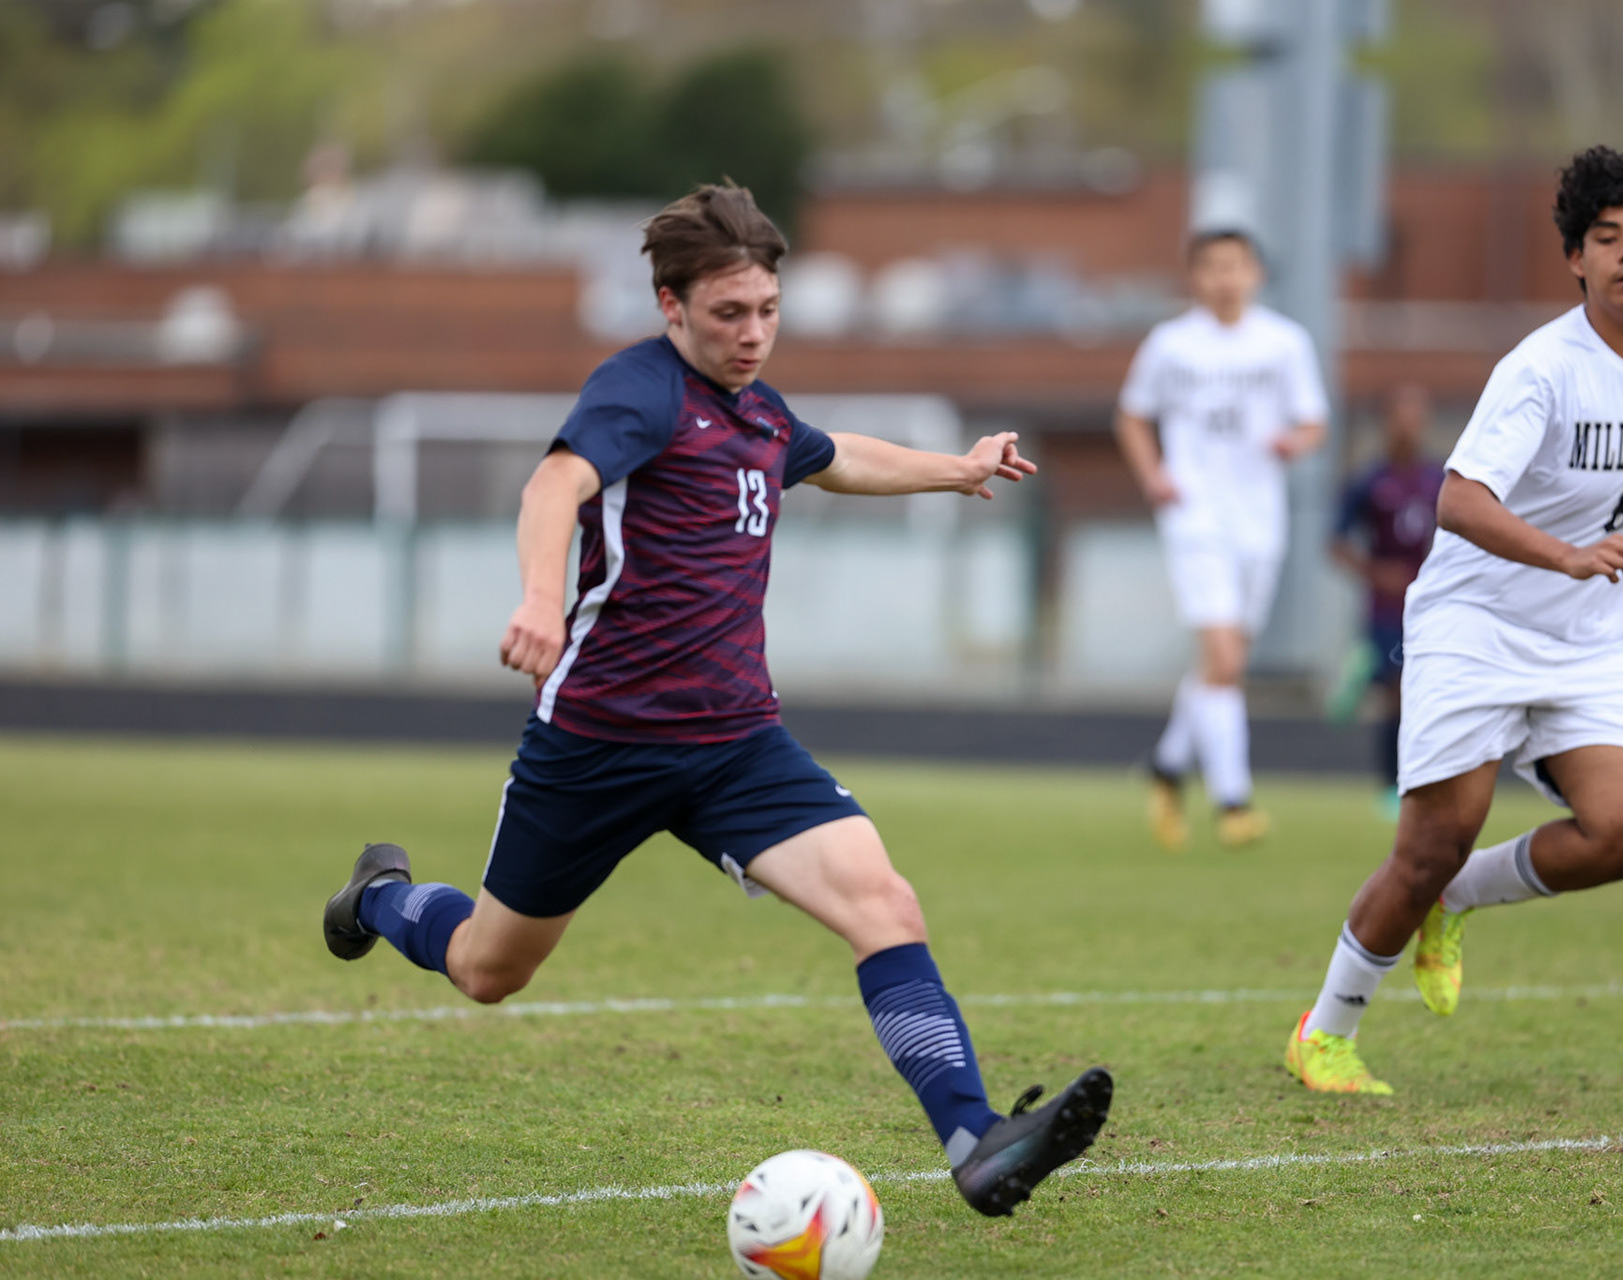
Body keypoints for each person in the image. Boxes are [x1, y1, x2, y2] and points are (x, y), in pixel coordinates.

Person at [321, 183, 1112, 1214]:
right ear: (671, 306)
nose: (753, 333)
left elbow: (835, 457)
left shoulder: (762, 411)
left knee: (885, 902)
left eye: (769, 311)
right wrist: (537, 596)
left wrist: (957, 471)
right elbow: (551, 487)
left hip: (738, 743)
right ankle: (380, 895)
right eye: (729, 313)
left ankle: (976, 1138)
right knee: (487, 968)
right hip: (600, 744)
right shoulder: (640, 391)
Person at [1286, 146, 1623, 1094]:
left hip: (1591, 642)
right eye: (1605, 239)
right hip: (1476, 625)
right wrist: (1568, 555)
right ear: (1576, 259)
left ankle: (1459, 900)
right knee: (1433, 838)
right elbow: (1458, 499)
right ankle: (1324, 1032)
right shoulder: (1541, 369)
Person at [1114, 229, 1329, 852]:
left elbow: (1313, 420)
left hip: (1259, 521)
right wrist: (1154, 474)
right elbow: (1131, 413)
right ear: (1193, 277)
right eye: (1211, 267)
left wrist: (1296, 442)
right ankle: (1233, 802)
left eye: (1236, 266)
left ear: (1257, 273)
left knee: (1218, 666)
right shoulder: (1171, 344)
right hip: (1196, 518)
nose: (1225, 278)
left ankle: (1166, 766)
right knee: (1228, 664)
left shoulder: (1285, 342)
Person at [1329, 386, 1445, 819]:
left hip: (1432, 605)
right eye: (1401, 417)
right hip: (1386, 608)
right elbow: (1335, 543)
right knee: (1395, 692)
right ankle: (1390, 787)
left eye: (1415, 417)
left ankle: (1424, 780)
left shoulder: (1440, 480)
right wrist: (1376, 573)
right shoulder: (1369, 481)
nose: (1408, 427)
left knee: (1427, 693)